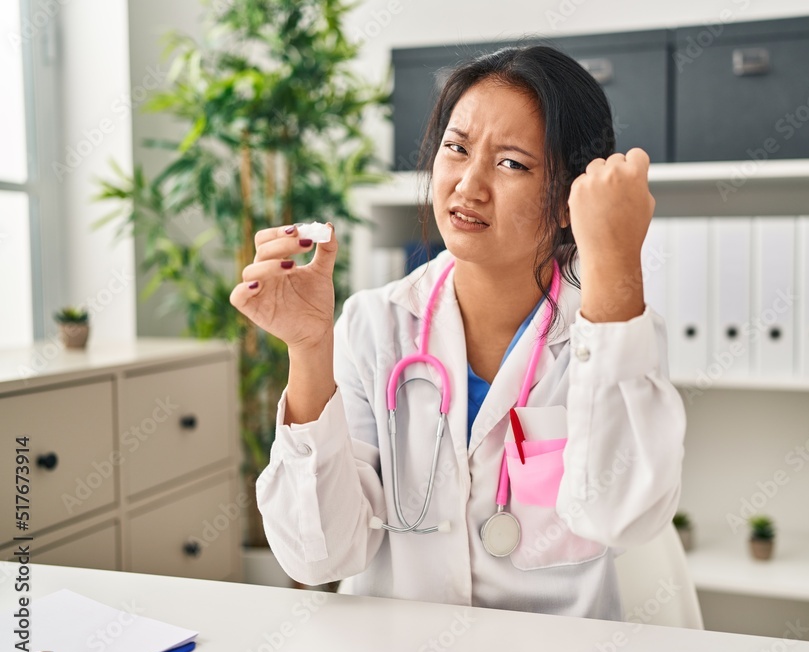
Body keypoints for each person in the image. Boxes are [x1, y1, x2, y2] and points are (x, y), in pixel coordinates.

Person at [229, 43, 687, 621]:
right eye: (456, 148)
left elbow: (622, 515)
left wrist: (617, 263)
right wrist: (308, 347)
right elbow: (319, 556)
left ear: (569, 199)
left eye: (511, 163)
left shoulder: (608, 332)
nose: (469, 185)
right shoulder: (376, 325)